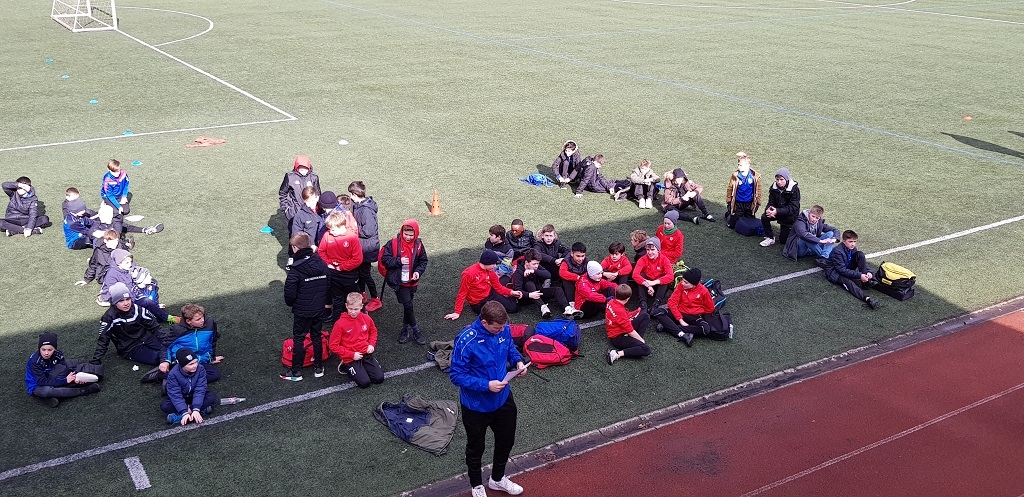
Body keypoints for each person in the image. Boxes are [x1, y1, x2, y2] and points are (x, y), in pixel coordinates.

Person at [449, 301, 527, 497]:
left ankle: (498, 479)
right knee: (476, 448)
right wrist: (486, 385)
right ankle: (477, 485)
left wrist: (518, 362)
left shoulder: (503, 329)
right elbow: (456, 375)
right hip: (476, 406)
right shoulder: (466, 339)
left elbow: (509, 347)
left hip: (503, 399)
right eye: (497, 328)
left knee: (506, 440)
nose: (502, 330)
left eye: (503, 327)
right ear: (484, 322)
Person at [281, 232, 331, 381]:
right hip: (319, 308)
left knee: (299, 338)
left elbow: (289, 295)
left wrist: (296, 304)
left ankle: (296, 371)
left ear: (295, 248)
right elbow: (328, 283)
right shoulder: (320, 261)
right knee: (316, 335)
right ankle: (318, 367)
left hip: (302, 311)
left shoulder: (295, 269)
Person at [90, 282, 168, 367]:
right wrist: (95, 361)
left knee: (171, 349)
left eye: (128, 299)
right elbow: (103, 340)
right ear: (114, 302)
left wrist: (168, 341)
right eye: (121, 301)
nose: (126, 303)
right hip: (129, 347)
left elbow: (156, 327)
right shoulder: (109, 317)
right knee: (157, 358)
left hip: (147, 338)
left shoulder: (138, 310)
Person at [380, 220, 429, 345]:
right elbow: (385, 260)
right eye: (405, 234)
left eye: (411, 235)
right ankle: (416, 331)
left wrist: (418, 272)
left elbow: (423, 261)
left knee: (409, 306)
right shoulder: (393, 243)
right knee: (408, 305)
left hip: (412, 282)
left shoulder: (419, 245)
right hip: (399, 282)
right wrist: (399, 261)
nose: (408, 237)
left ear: (416, 233)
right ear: (401, 232)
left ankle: (404, 329)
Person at [25, 333, 102, 407]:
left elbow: (64, 369)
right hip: (38, 385)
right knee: (46, 391)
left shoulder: (58, 354)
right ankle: (84, 390)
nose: (46, 353)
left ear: (55, 349)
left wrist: (74, 377)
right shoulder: (35, 361)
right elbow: (41, 381)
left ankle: (57, 395)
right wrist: (65, 381)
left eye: (50, 350)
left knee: (77, 364)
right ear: (39, 348)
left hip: (54, 377)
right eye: (43, 349)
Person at [101, 248, 177, 324]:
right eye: (127, 263)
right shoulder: (111, 274)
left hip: (134, 294)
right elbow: (114, 294)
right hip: (123, 299)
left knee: (151, 301)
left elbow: (136, 277)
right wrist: (131, 300)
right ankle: (165, 317)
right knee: (146, 303)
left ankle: (162, 315)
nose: (130, 264)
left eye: (130, 262)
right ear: (119, 263)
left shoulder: (128, 267)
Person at [650, 268, 719, 346]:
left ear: (694, 284)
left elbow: (710, 308)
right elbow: (672, 302)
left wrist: (697, 311)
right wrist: (680, 319)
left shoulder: (704, 291)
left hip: (693, 317)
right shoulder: (681, 285)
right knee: (658, 312)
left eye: (686, 282)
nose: (682, 283)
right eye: (682, 280)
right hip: (678, 312)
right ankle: (682, 334)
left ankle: (668, 326)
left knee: (705, 329)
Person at [329, 293, 385, 388]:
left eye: (356, 309)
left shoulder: (366, 318)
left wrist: (371, 344)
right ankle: (345, 365)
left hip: (365, 354)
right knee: (364, 383)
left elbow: (373, 331)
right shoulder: (339, 324)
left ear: (361, 306)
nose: (353, 312)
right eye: (350, 309)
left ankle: (366, 365)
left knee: (379, 379)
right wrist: (351, 355)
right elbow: (333, 345)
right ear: (346, 306)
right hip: (351, 357)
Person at [445, 251, 522, 320]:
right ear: (487, 262)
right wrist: (457, 312)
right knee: (493, 315)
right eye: (493, 264)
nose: (495, 266)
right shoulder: (468, 274)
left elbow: (498, 287)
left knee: (514, 308)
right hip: (478, 303)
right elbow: (462, 293)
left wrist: (511, 292)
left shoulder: (490, 271)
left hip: (491, 294)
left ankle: (511, 297)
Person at [319, 211, 363, 323]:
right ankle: (337, 325)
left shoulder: (352, 238)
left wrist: (341, 267)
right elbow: (321, 251)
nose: (330, 232)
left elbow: (357, 259)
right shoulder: (327, 235)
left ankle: (357, 323)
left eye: (333, 230)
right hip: (333, 273)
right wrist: (329, 263)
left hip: (349, 274)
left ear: (341, 226)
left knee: (352, 299)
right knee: (337, 301)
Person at [161, 303, 223, 383]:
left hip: (199, 360)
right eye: (198, 319)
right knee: (188, 371)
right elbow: (166, 346)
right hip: (183, 361)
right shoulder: (178, 330)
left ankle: (175, 379)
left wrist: (212, 358)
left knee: (215, 374)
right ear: (188, 321)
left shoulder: (210, 323)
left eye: (202, 317)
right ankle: (167, 376)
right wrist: (165, 361)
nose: (202, 320)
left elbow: (212, 341)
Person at [824, 230, 880, 310]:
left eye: (854, 241)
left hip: (846, 267)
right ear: (844, 241)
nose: (853, 244)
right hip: (835, 273)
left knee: (860, 254)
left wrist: (869, 272)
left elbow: (861, 262)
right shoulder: (837, 252)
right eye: (850, 241)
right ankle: (867, 299)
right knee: (848, 281)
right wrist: (859, 275)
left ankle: (866, 280)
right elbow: (841, 270)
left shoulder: (853, 248)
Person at [161, 348, 218, 425]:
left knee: (211, 396)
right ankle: (198, 411)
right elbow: (175, 395)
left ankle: (180, 416)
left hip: (193, 396)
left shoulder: (200, 368)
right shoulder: (173, 374)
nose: (195, 366)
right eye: (190, 364)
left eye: (196, 362)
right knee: (165, 405)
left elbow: (200, 389)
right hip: (182, 397)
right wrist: (184, 412)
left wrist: (196, 409)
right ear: (182, 365)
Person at [349, 181, 382, 312]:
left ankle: (375, 298)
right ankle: (362, 294)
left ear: (354, 194)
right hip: (363, 246)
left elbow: (368, 231)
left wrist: (353, 229)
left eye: (351, 194)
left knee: (365, 274)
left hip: (367, 248)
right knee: (360, 273)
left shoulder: (366, 210)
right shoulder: (359, 205)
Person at [511, 248, 571, 319]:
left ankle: (567, 308)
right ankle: (543, 308)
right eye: (534, 264)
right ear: (526, 262)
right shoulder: (518, 272)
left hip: (538, 292)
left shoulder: (536, 267)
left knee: (558, 290)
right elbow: (518, 291)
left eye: (538, 263)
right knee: (529, 284)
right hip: (526, 297)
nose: (536, 266)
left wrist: (534, 271)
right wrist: (529, 295)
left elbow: (548, 275)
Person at [77, 229, 128, 305]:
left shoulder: (122, 248)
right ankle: (104, 296)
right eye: (112, 242)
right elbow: (93, 264)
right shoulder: (99, 250)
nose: (115, 244)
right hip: (103, 273)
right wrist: (87, 279)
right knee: (113, 275)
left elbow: (129, 262)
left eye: (116, 241)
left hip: (120, 271)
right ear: (105, 241)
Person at [605, 285, 651, 365]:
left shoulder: (611, 302)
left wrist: (635, 312)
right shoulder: (621, 312)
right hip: (617, 338)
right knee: (646, 349)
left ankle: (636, 344)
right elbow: (630, 331)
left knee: (645, 316)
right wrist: (641, 340)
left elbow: (624, 316)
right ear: (628, 299)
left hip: (617, 330)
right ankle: (616, 354)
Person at [759, 168, 801, 247]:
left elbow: (793, 208)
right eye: (777, 179)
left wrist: (777, 211)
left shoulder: (794, 190)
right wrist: (768, 210)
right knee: (765, 217)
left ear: (786, 179)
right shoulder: (774, 188)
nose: (779, 182)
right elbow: (771, 202)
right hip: (777, 212)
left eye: (781, 179)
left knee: (783, 241)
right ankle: (770, 237)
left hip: (789, 217)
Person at [631, 238, 674, 312]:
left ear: (658, 250)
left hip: (658, 287)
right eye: (648, 250)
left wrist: (654, 282)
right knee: (641, 275)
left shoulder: (664, 260)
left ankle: (657, 303)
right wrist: (648, 285)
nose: (650, 252)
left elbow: (671, 276)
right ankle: (643, 304)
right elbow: (635, 274)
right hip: (646, 286)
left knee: (665, 276)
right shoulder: (642, 259)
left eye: (652, 249)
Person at [726, 151, 762, 229]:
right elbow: (730, 188)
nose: (739, 167)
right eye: (738, 165)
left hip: (749, 203)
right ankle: (729, 215)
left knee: (750, 220)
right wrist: (729, 200)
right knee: (733, 224)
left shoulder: (754, 176)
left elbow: (758, 190)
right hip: (738, 203)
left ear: (747, 165)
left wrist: (758, 201)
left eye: (741, 165)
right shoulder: (736, 176)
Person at [278, 154, 321, 221]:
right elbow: (282, 192)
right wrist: (286, 208)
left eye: (306, 169)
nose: (304, 172)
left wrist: (316, 209)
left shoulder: (314, 177)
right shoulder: (290, 177)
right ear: (297, 167)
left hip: (310, 211)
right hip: (294, 212)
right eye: (301, 170)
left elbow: (318, 194)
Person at [289, 187, 323, 255]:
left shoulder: (323, 210)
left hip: (324, 246)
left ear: (317, 198)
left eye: (312, 200)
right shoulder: (300, 215)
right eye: (308, 201)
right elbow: (296, 235)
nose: (311, 204)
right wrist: (310, 245)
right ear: (304, 201)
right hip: (310, 249)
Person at [558, 242, 590, 314]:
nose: (581, 259)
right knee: (566, 280)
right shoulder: (566, 261)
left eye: (583, 256)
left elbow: (593, 272)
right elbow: (562, 273)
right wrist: (578, 277)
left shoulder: (587, 261)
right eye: (578, 256)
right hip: (570, 285)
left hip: (581, 283)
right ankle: (571, 304)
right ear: (572, 254)